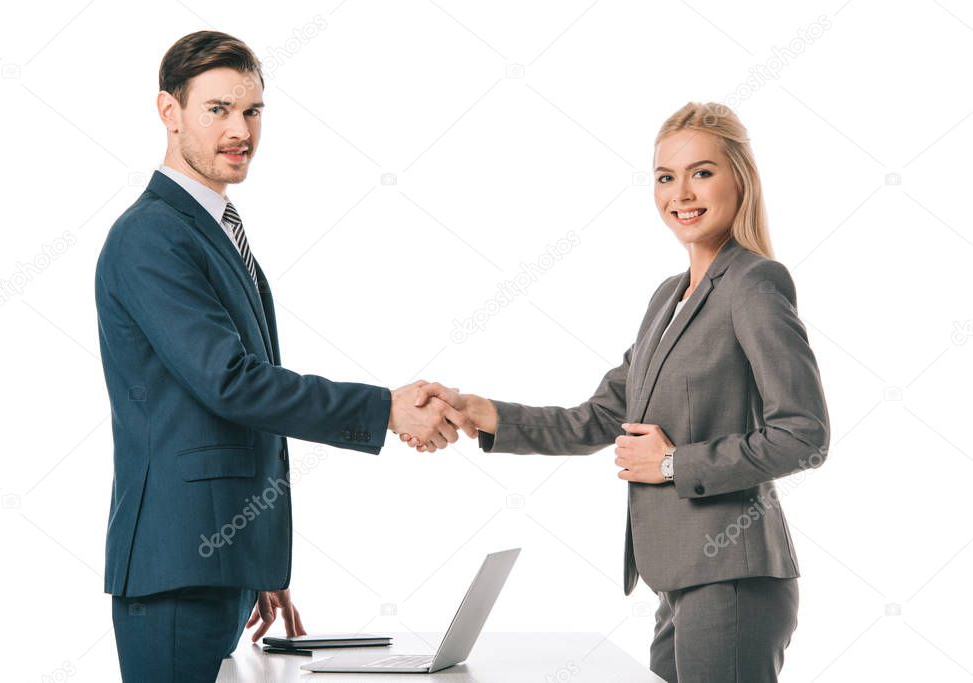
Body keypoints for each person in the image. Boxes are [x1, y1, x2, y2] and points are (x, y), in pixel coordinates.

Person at [402, 102, 831, 682]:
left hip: (732, 579)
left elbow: (803, 436)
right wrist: (486, 414)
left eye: (701, 172)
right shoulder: (667, 299)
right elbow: (600, 418)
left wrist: (675, 463)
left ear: (741, 179)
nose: (680, 191)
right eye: (664, 176)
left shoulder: (753, 284)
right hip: (680, 581)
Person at [94, 31, 472, 682]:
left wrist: (252, 559)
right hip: (176, 570)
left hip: (214, 563)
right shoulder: (152, 236)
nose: (240, 129)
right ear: (169, 112)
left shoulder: (210, 227)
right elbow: (234, 384)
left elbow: (229, 412)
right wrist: (384, 409)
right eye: (217, 109)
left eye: (252, 110)